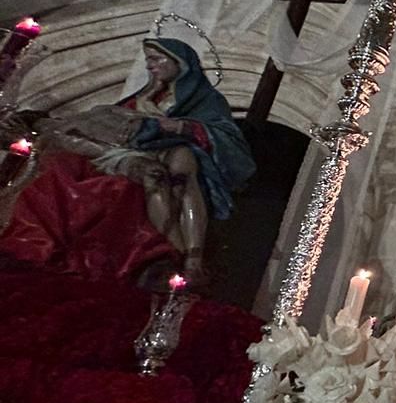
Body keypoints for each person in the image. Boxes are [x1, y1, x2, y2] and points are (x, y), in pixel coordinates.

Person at [35, 38, 254, 279]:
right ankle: (179, 252)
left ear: (180, 63)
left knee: (183, 163)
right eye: (148, 59)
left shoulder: (207, 99)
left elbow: (226, 137)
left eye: (156, 58)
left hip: (179, 151)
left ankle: (194, 254)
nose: (150, 65)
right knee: (155, 175)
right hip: (139, 153)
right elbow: (116, 126)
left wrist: (180, 127)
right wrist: (147, 98)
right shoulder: (144, 96)